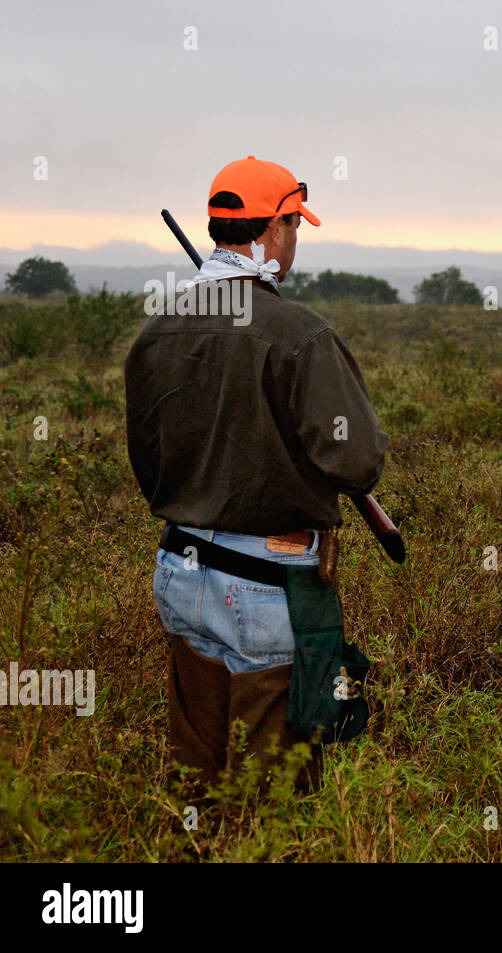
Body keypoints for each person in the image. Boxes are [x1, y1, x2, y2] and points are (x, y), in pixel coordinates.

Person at [124, 156, 388, 796]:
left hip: (179, 573)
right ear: (272, 230)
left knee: (195, 777)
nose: (294, 240)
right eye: (294, 225)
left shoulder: (156, 333)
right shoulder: (301, 335)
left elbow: (149, 461)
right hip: (268, 591)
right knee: (273, 801)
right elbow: (358, 462)